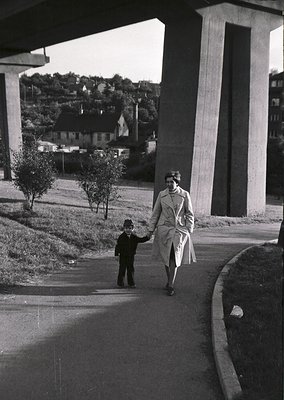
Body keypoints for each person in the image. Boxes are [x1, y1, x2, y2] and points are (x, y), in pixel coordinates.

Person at [147, 170, 196, 296]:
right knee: (166, 256)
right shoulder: (162, 195)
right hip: (164, 229)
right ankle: (169, 280)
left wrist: (189, 228)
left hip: (178, 230)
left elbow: (189, 213)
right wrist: (150, 229)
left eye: (171, 182)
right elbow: (156, 212)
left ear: (177, 182)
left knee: (175, 256)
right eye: (167, 182)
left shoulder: (184, 194)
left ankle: (170, 284)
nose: (169, 184)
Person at [115, 219, 150, 288]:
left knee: (130, 269)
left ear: (132, 228)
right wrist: (116, 255)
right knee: (122, 269)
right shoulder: (121, 237)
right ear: (124, 228)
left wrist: (147, 237)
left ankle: (131, 283)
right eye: (126, 228)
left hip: (131, 256)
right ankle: (120, 283)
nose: (128, 230)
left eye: (130, 228)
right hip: (123, 256)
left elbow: (141, 240)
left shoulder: (134, 237)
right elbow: (118, 246)